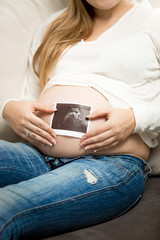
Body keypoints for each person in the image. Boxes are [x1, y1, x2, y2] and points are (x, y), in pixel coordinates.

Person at [0, 0, 160, 239]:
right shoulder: (52, 26)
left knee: (5, 207)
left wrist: (134, 119)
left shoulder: (153, 21)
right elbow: (30, 96)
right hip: (36, 157)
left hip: (109, 162)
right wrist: (9, 108)